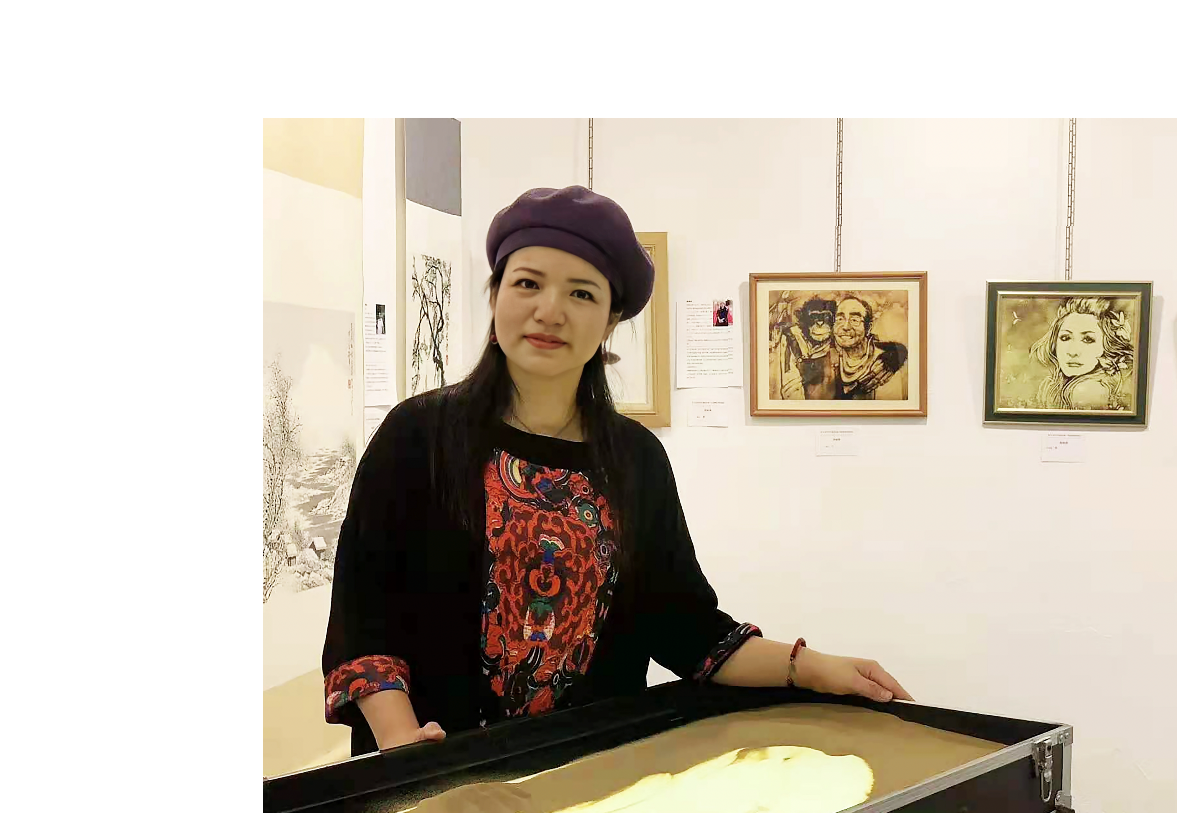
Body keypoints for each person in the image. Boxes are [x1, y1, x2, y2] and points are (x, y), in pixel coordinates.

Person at [322, 186, 912, 758]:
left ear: (609, 322)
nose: (549, 311)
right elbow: (363, 615)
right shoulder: (418, 435)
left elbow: (685, 626)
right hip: (442, 775)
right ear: (496, 295)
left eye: (581, 293)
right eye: (527, 283)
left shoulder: (634, 458)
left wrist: (813, 668)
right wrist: (405, 748)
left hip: (592, 772)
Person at [1030, 296, 1134, 410]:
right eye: (1065, 338)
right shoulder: (1053, 385)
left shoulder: (1087, 390)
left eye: (1088, 339)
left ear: (1107, 346)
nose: (1073, 351)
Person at [832, 296, 908, 400]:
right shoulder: (829, 357)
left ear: (868, 328)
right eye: (840, 319)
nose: (845, 327)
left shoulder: (883, 366)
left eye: (855, 320)